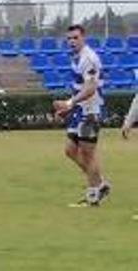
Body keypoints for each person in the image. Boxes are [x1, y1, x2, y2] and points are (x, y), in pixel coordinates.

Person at [54, 24, 112, 207]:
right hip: (80, 111)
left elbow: (91, 88)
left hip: (91, 112)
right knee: (70, 151)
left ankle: (93, 196)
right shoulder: (76, 57)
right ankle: (100, 183)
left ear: (83, 38)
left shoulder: (89, 58)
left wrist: (69, 103)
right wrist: (69, 108)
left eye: (75, 38)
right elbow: (80, 87)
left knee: (88, 154)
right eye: (69, 39)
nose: (72, 41)